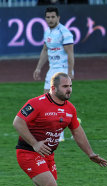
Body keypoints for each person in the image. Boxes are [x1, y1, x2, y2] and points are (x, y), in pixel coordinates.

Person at [0, 72, 107, 186]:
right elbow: (18, 122)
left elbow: (77, 131)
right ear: (53, 88)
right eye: (65, 87)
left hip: (48, 155)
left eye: (70, 86)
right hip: (28, 152)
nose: (69, 90)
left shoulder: (70, 108)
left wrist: (90, 153)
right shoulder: (37, 103)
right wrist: (35, 143)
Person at [33, 6, 75, 142]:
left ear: (58, 18)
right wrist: (38, 68)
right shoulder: (47, 32)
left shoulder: (65, 33)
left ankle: (59, 133)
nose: (50, 19)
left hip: (62, 69)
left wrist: (69, 73)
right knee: (47, 99)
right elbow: (45, 50)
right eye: (48, 17)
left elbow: (70, 54)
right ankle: (55, 129)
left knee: (57, 100)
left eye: (53, 17)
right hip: (51, 70)